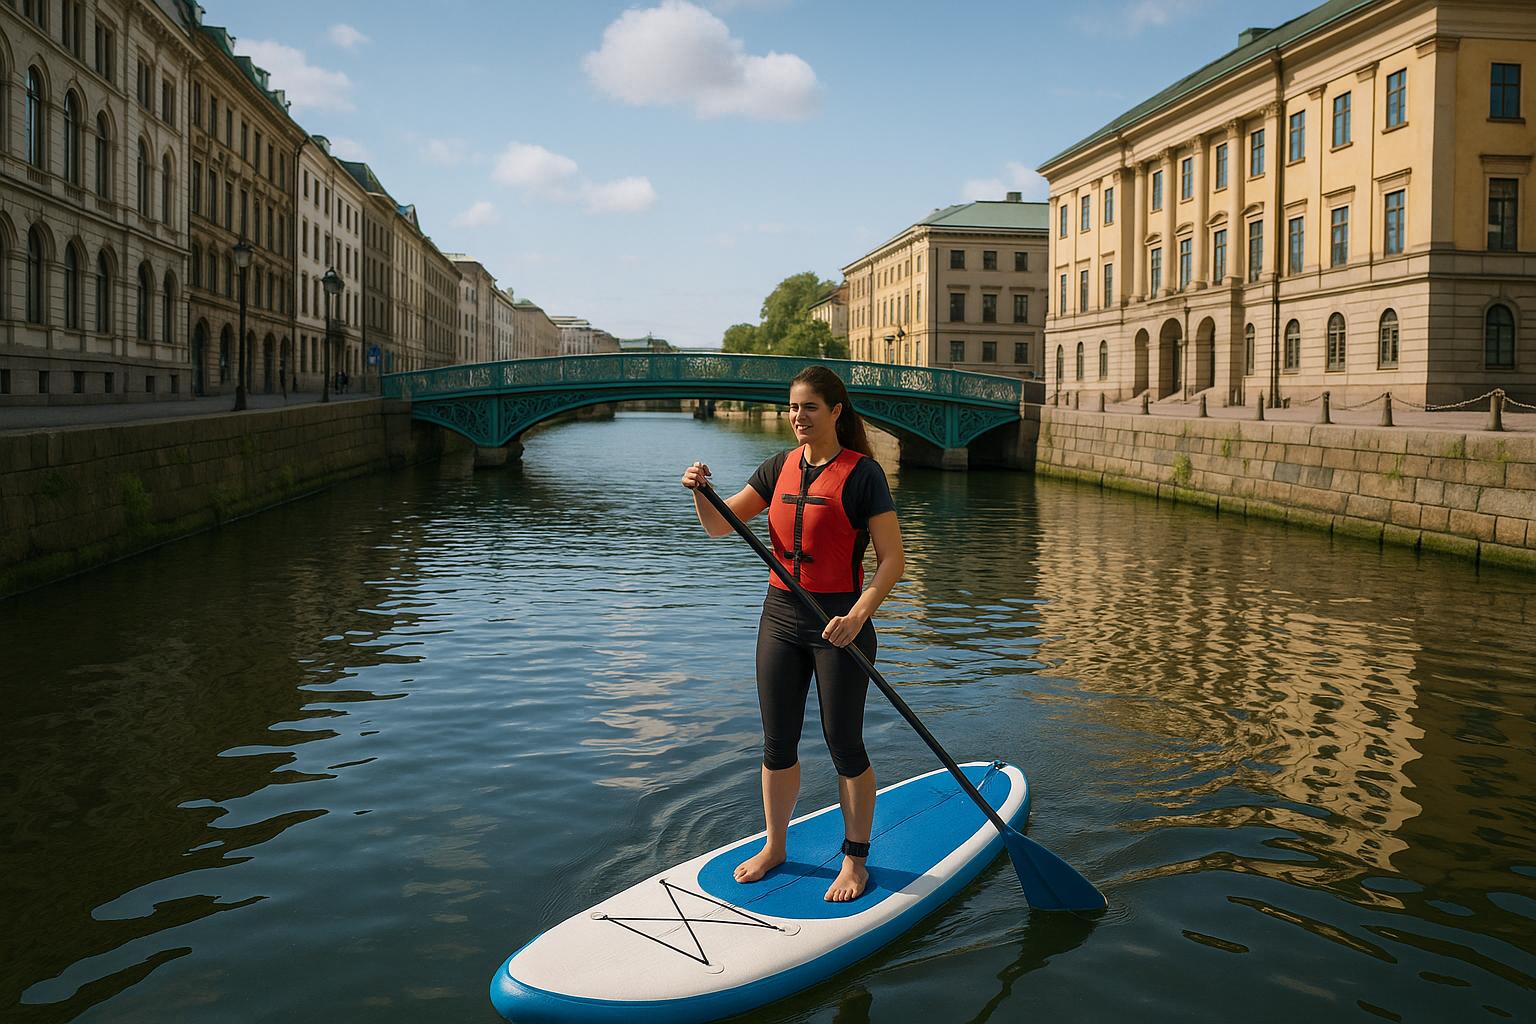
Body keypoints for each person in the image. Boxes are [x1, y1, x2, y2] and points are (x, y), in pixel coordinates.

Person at [681, 365, 904, 902]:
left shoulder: (863, 474)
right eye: (792, 407)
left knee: (844, 743)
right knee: (777, 743)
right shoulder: (777, 467)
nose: (798, 417)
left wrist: (858, 616)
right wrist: (700, 492)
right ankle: (775, 845)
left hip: (840, 625)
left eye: (809, 407)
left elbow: (893, 560)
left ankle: (855, 861)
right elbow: (718, 525)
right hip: (780, 618)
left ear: (835, 412)